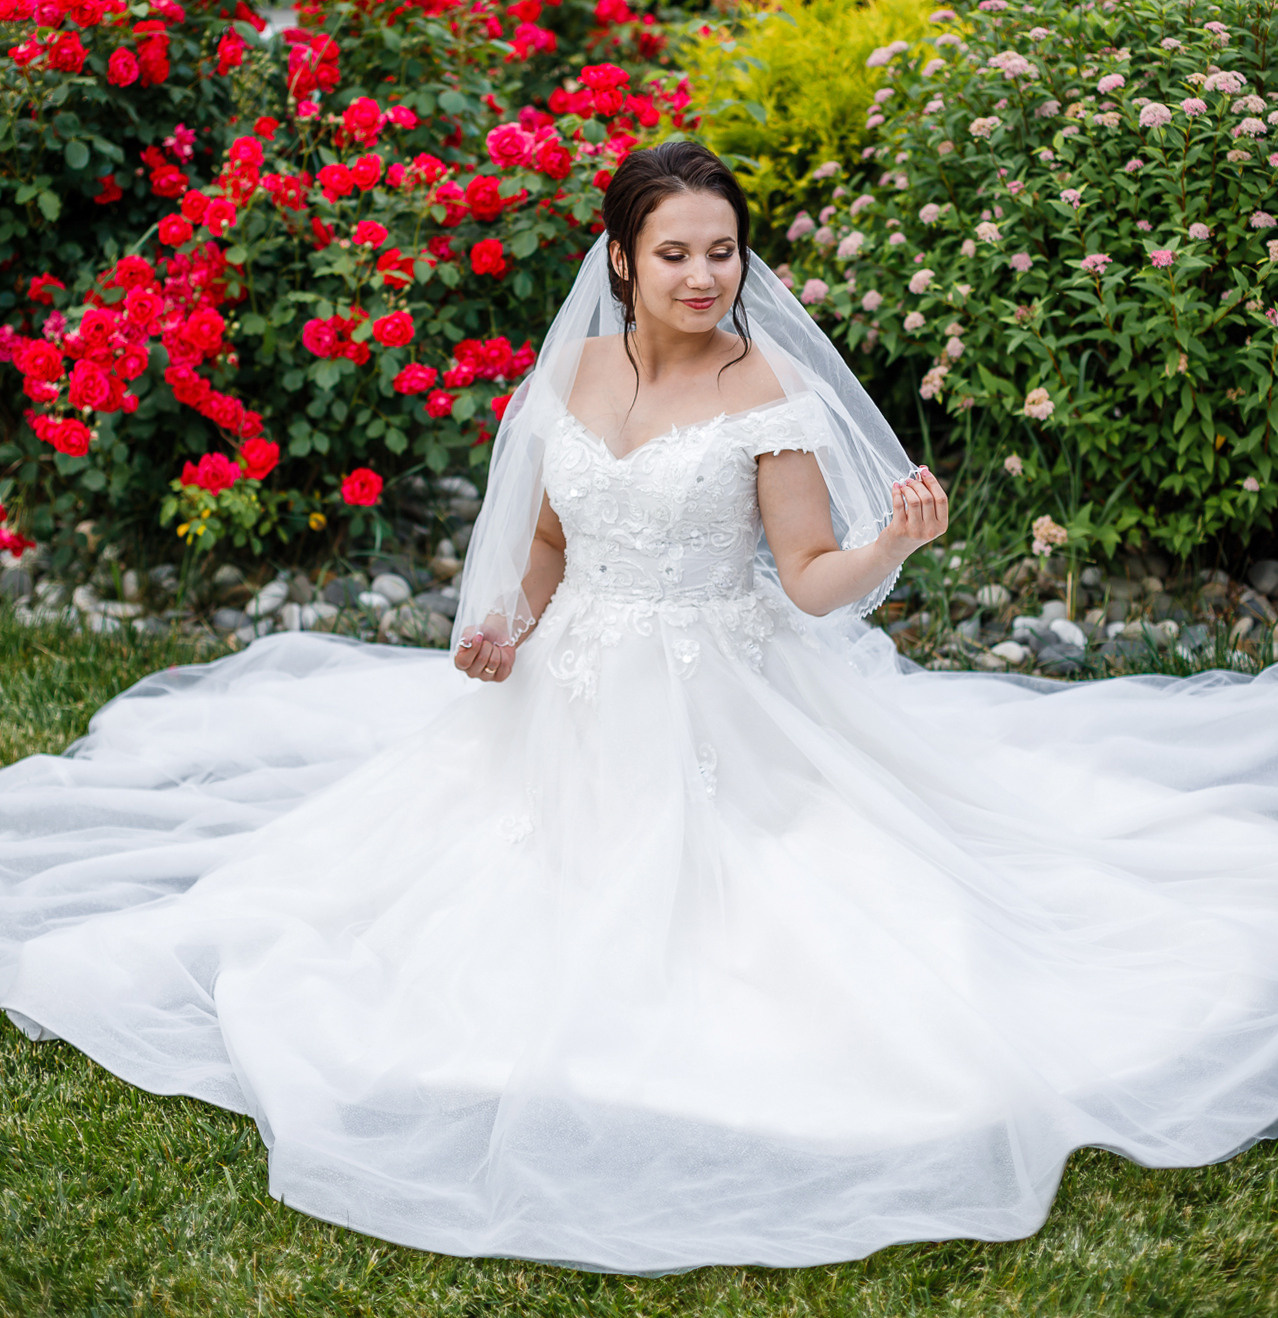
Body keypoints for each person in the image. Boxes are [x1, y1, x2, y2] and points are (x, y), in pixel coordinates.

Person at [0, 137, 1275, 1276]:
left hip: (723, 697)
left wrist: (892, 545)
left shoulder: (762, 391)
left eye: (722, 251)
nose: (704, 275)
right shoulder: (578, 372)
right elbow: (552, 535)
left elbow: (813, 584)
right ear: (620, 257)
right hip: (570, 686)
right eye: (676, 251)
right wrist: (509, 619)